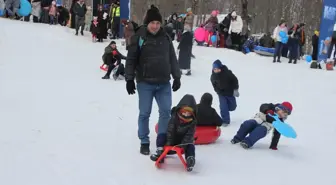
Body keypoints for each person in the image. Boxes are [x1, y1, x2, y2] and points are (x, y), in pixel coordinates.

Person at [125, 5, 181, 155]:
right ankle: (144, 140)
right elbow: (131, 59)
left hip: (163, 82)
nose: (155, 26)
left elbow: (172, 58)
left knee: (165, 113)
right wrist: (129, 79)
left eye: (158, 23)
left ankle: (162, 142)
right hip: (145, 82)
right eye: (152, 23)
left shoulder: (166, 37)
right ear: (147, 23)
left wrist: (177, 77)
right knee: (145, 113)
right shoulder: (139, 37)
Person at [150, 94, 197, 172]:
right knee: (161, 135)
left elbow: (189, 135)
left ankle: (190, 159)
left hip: (183, 142)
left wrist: (182, 146)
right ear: (180, 110)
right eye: (184, 112)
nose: (185, 114)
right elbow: (170, 131)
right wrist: (169, 144)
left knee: (190, 144)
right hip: (171, 139)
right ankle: (160, 152)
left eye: (188, 113)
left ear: (192, 113)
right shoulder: (174, 117)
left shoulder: (192, 122)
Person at [210, 60, 239, 126]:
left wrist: (235, 89)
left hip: (230, 93)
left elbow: (235, 80)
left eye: (217, 69)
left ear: (220, 68)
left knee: (233, 107)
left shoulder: (227, 73)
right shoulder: (213, 76)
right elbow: (214, 86)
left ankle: (226, 109)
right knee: (223, 107)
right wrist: (218, 91)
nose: (216, 70)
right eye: (214, 69)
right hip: (221, 94)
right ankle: (225, 120)